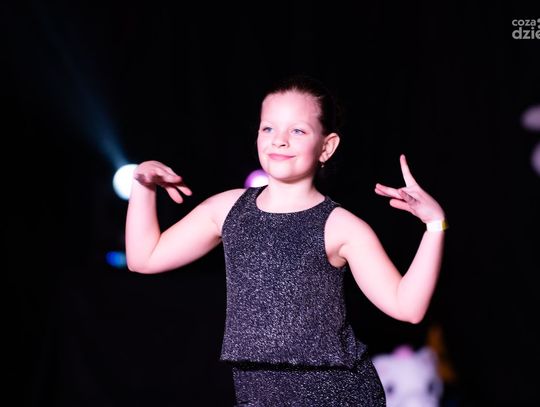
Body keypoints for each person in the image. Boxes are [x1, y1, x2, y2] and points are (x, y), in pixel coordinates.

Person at [125, 75, 447, 406]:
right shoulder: (227, 210)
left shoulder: (341, 227)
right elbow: (144, 258)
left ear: (327, 146)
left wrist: (434, 225)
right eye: (268, 128)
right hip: (258, 396)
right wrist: (143, 186)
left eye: (297, 131)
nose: (279, 140)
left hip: (336, 396)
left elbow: (408, 307)